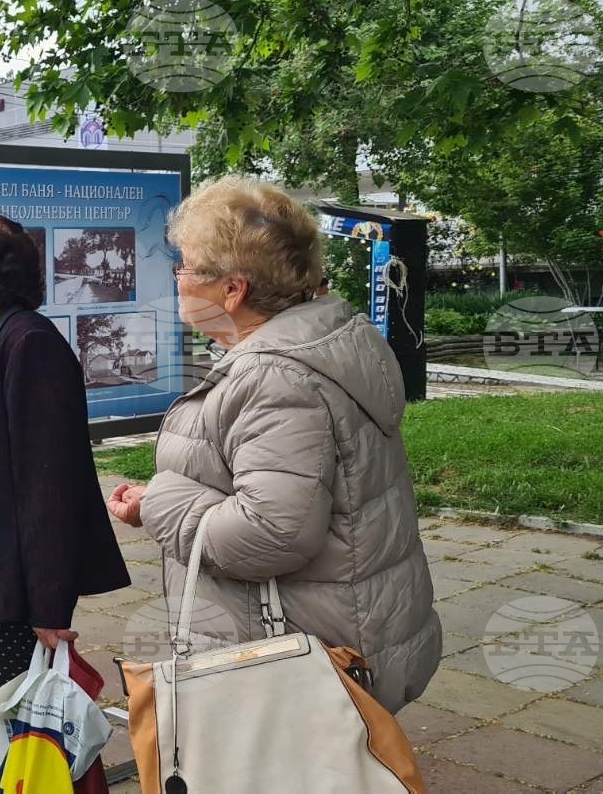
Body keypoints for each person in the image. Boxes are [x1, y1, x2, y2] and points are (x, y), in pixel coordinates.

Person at [106, 176, 442, 714]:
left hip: (294, 665)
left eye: (184, 267)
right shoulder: (322, 342)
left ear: (231, 290)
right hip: (346, 628)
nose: (177, 280)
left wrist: (159, 502)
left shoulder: (274, 377)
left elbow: (270, 533)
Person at [0, 215, 131, 792]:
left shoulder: (30, 346)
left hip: (14, 596)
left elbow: (48, 486)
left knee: (25, 738)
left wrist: (50, 607)